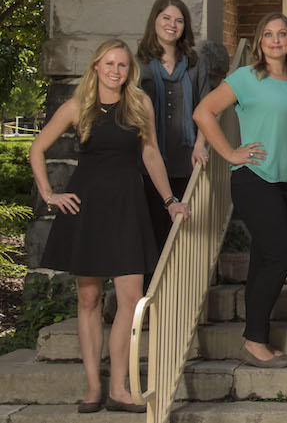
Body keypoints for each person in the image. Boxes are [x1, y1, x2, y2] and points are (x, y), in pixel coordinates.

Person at [31, 39, 190, 413]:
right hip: (86, 208)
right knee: (88, 298)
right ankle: (92, 387)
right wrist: (50, 194)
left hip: (127, 208)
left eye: (122, 65)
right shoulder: (77, 107)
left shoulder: (139, 103)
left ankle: (119, 388)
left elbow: (150, 153)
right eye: (109, 64)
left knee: (131, 299)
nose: (116, 70)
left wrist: (169, 200)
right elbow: (37, 149)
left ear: (128, 71)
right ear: (97, 67)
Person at [193, 12, 287, 368]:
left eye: (282, 34)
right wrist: (231, 152)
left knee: (264, 260)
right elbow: (204, 112)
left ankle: (258, 338)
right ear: (259, 42)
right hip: (256, 178)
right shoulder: (246, 77)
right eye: (268, 34)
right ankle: (253, 342)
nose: (276, 40)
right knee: (282, 256)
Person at [136, 0, 210, 258]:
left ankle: (179, 298)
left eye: (179, 20)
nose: (172, 25)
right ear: (154, 20)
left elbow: (205, 108)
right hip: (147, 162)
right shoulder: (138, 63)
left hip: (186, 158)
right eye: (166, 18)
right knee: (152, 235)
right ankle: (149, 296)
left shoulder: (195, 63)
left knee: (184, 238)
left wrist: (201, 143)